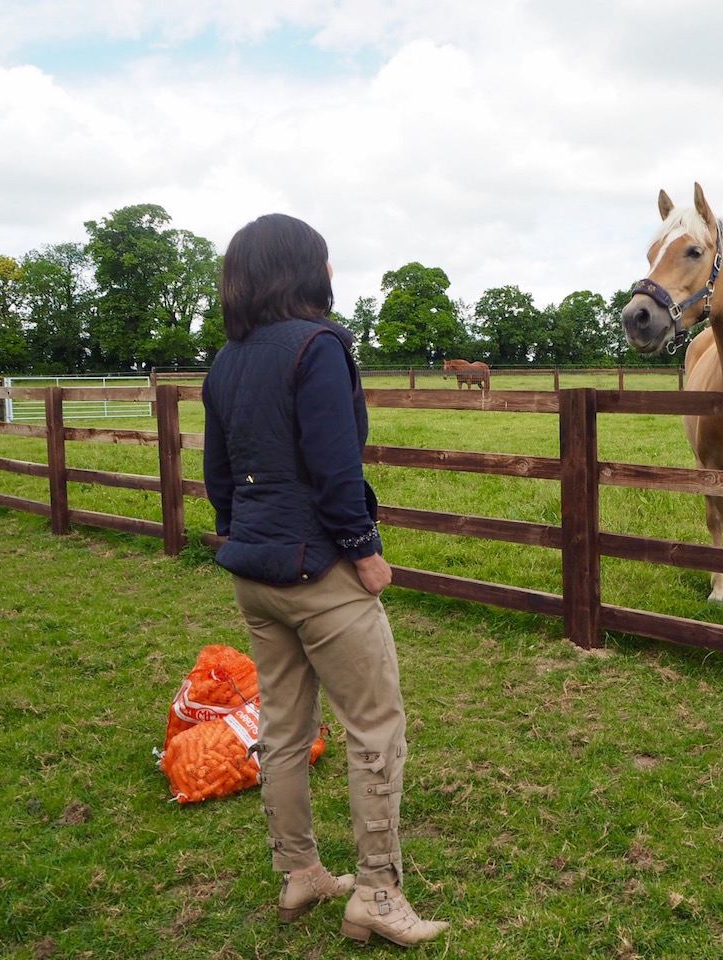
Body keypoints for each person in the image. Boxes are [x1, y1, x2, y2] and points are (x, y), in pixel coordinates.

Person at [202, 213, 448, 947]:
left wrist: (243, 532)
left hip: (255, 571)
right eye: (327, 261)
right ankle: (376, 891)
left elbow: (218, 477)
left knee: (283, 729)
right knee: (375, 727)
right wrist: (364, 548)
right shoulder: (321, 346)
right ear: (304, 271)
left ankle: (300, 872)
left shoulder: (226, 361)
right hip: (321, 572)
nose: (334, 274)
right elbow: (338, 468)